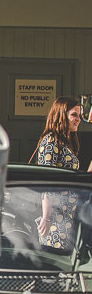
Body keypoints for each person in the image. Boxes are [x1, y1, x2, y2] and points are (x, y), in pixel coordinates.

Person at [34, 96, 92, 249]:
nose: (78, 119)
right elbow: (46, 180)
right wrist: (46, 218)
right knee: (56, 265)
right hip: (55, 218)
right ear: (61, 115)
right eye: (74, 115)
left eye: (79, 115)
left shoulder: (64, 142)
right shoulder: (50, 141)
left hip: (68, 217)